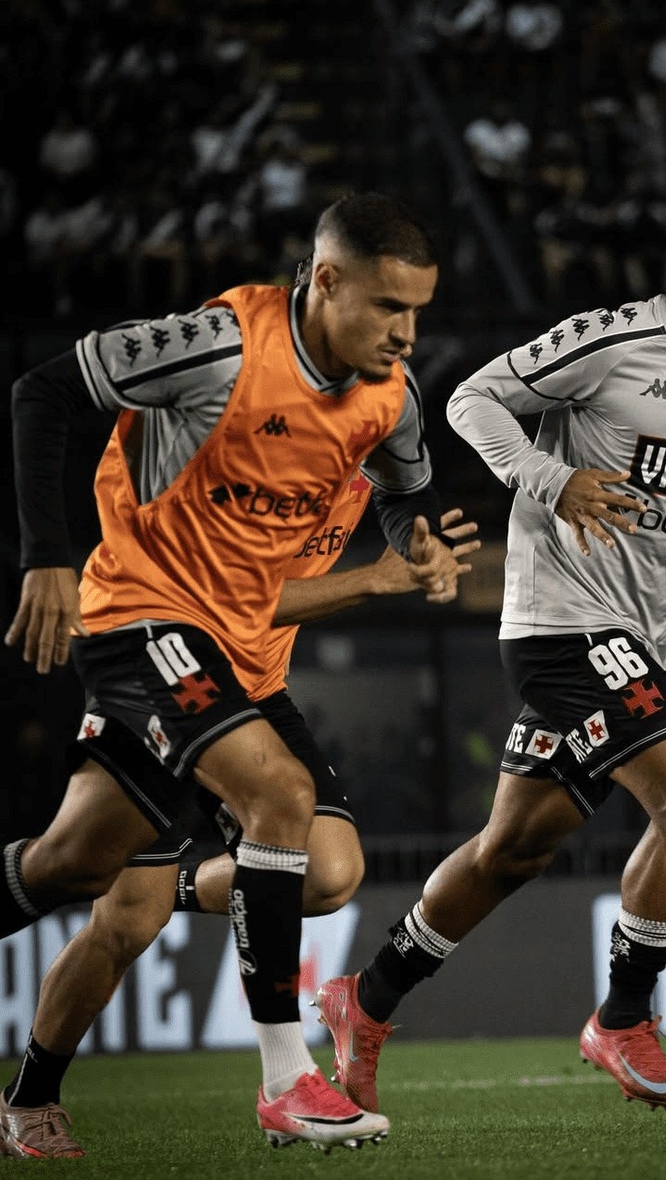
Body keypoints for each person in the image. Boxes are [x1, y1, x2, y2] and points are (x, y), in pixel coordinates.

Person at [311, 186, 666, 1114]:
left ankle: (368, 997)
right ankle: (624, 1018)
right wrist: (550, 480)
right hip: (560, 622)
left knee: (516, 846)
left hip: (642, 641)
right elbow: (475, 399)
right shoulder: (612, 342)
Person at [0, 191, 466, 1152]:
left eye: (418, 310)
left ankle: (27, 1095)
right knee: (279, 795)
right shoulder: (220, 348)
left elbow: (408, 494)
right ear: (325, 280)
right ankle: (287, 1079)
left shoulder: (388, 402)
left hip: (240, 665)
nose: (407, 333)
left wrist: (415, 548)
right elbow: (43, 392)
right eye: (389, 307)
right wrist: (46, 552)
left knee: (112, 874)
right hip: (143, 616)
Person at [0, 493, 478, 1159]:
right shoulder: (254, 422)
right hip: (158, 658)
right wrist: (376, 577)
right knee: (107, 899)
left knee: (328, 871)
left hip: (253, 686)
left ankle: (189, 914)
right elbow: (220, 597)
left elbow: (403, 483)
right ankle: (33, 1097)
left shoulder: (371, 415)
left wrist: (414, 540)